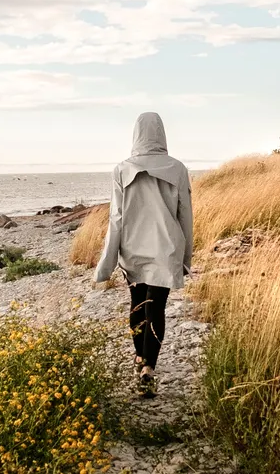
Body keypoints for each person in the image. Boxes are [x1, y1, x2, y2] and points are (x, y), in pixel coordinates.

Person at [94, 111, 194, 398]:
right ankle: (149, 366)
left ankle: (140, 358)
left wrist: (106, 263)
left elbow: (116, 218)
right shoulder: (177, 169)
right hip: (166, 248)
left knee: (137, 304)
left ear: (136, 134)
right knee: (156, 308)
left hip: (133, 247)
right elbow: (185, 216)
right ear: (161, 133)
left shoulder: (121, 170)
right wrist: (186, 257)